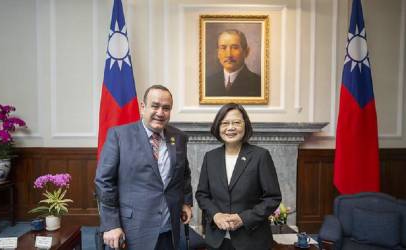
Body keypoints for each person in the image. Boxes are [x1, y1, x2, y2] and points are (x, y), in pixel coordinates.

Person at [95, 85, 193, 250]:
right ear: (143, 107)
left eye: (166, 108)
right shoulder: (119, 136)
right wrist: (111, 224)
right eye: (155, 106)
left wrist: (186, 202)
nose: (160, 113)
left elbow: (184, 174)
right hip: (132, 230)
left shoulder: (179, 137)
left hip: (168, 229)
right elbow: (104, 182)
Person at [195, 103, 281, 250]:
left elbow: (273, 198)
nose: (230, 128)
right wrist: (215, 215)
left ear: (245, 125)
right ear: (218, 127)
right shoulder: (210, 157)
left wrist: (244, 218)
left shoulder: (260, 156)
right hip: (217, 240)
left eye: (236, 122)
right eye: (225, 123)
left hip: (252, 240)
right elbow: (202, 195)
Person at [206, 29, 261, 97]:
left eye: (235, 48)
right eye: (223, 48)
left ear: (246, 52)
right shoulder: (208, 82)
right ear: (218, 53)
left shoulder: (258, 83)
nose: (229, 55)